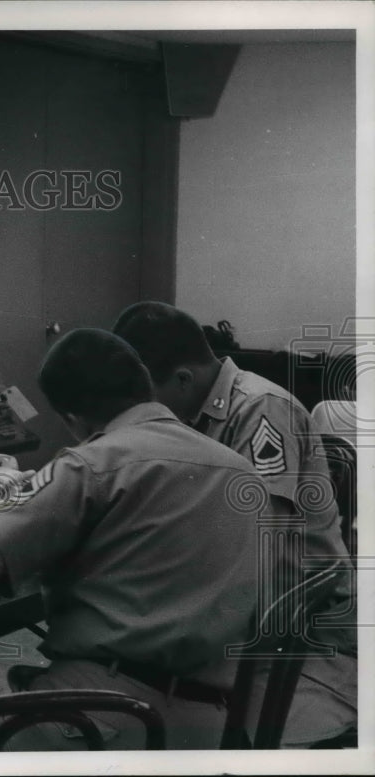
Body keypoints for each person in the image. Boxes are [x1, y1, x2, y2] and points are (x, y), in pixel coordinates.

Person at [0, 329, 262, 751]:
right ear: (145, 383)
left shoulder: (90, 463)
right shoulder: (239, 469)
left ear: (73, 419)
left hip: (111, 716)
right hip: (215, 729)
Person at [112, 301, 357, 747]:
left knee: (120, 658)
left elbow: (259, 540)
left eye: (145, 398)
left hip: (293, 629)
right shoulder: (195, 414)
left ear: (183, 379)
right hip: (241, 606)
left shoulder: (260, 410)